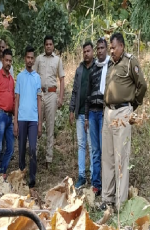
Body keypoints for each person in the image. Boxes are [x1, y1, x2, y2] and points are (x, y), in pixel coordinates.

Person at [101, 32, 147, 210]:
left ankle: (120, 204)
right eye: (110, 48)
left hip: (123, 112)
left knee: (121, 158)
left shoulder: (130, 62)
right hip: (108, 113)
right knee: (108, 157)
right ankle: (107, 199)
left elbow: (142, 85)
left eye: (113, 48)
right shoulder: (110, 64)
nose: (111, 51)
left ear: (121, 46)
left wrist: (132, 105)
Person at [34, 35, 65, 169]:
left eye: (50, 44)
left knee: (50, 127)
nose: (48, 46)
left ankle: (49, 159)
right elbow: (33, 76)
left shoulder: (57, 60)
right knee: (36, 125)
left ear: (53, 46)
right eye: (46, 44)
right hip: (40, 94)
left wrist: (60, 98)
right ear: (44, 46)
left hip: (52, 94)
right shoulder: (39, 59)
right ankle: (33, 156)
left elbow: (62, 79)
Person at [14, 46, 43, 189]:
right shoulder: (19, 77)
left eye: (32, 58)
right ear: (25, 58)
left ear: (34, 59)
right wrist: (15, 122)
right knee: (21, 149)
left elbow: (39, 101)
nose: (30, 60)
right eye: (28, 57)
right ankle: (21, 174)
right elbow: (17, 100)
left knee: (32, 148)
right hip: (21, 118)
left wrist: (39, 123)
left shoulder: (37, 78)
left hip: (33, 119)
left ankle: (32, 179)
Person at [84, 37, 110, 196]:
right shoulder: (93, 69)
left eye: (102, 48)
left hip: (104, 113)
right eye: (98, 48)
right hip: (92, 115)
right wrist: (86, 117)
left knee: (105, 150)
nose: (100, 51)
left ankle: (107, 185)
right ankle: (96, 185)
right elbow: (87, 95)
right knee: (95, 151)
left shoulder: (110, 67)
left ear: (106, 49)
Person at [69, 41, 95, 189]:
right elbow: (74, 91)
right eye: (84, 51)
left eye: (88, 51)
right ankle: (81, 176)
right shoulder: (79, 69)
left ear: (93, 52)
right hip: (79, 113)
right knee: (81, 145)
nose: (86, 54)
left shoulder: (97, 68)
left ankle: (93, 175)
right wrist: (71, 110)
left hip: (92, 113)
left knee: (91, 145)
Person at [0, 49, 15, 176]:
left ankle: (3, 172)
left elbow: (13, 100)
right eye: (6, 60)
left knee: (10, 148)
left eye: (10, 61)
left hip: (9, 117)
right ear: (2, 61)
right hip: (0, 116)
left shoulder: (11, 79)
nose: (8, 63)